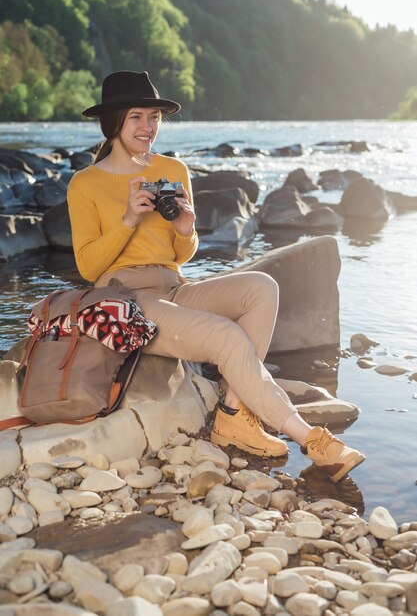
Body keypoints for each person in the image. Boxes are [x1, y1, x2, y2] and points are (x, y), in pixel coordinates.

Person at [67, 70, 365, 483]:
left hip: (174, 286)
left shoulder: (172, 168)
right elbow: (88, 267)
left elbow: (181, 255)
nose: (148, 127)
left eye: (153, 117)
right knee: (226, 336)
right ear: (113, 122)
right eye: (137, 117)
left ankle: (232, 413)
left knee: (262, 286)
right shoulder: (86, 183)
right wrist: (128, 219)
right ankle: (310, 438)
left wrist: (186, 228)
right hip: (127, 300)